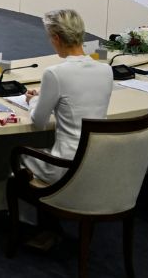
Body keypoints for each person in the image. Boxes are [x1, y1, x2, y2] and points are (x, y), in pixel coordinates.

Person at [18, 10, 112, 185]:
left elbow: (39, 122)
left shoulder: (54, 73)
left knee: (20, 158)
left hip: (66, 164)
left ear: (56, 39)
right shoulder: (106, 70)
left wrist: (34, 100)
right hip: (97, 160)